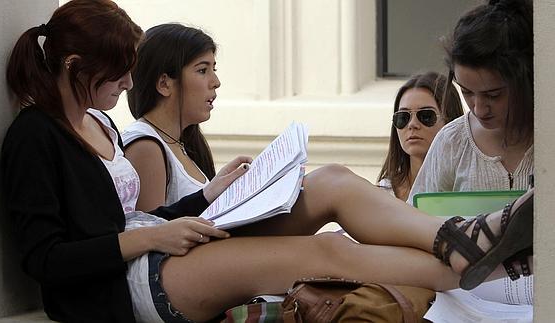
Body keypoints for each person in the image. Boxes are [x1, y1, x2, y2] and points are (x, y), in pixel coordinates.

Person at [112, 21, 532, 322]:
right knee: (331, 251)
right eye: (203, 70)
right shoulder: (145, 144)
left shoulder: (177, 144)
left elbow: (166, 219)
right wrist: (209, 203)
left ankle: (463, 240)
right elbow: (157, 229)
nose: (216, 82)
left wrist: (217, 196)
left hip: (186, 252)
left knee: (331, 178)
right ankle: (499, 266)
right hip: (164, 266)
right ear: (166, 83)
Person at [408, 0, 533, 199]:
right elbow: (414, 220)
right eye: (466, 92)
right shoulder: (451, 141)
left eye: (493, 95)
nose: (479, 109)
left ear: (525, 81)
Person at [377, 72, 463, 201]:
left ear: (450, 121)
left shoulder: (468, 186)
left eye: (426, 116)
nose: (412, 124)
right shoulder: (381, 194)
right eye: (403, 117)